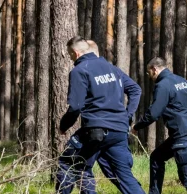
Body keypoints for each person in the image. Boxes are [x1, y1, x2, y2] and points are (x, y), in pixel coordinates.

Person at [55, 36, 145, 194]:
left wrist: (63, 126)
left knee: (67, 163)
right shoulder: (111, 68)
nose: (70, 58)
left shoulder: (79, 70)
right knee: (123, 176)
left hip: (96, 132)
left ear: (75, 53)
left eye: (70, 55)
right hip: (119, 132)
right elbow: (135, 89)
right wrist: (127, 116)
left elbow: (75, 107)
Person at [131, 57, 187, 194]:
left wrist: (137, 126)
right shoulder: (181, 80)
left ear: (154, 69)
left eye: (149, 73)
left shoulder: (163, 85)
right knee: (157, 158)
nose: (150, 76)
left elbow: (153, 113)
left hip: (182, 134)